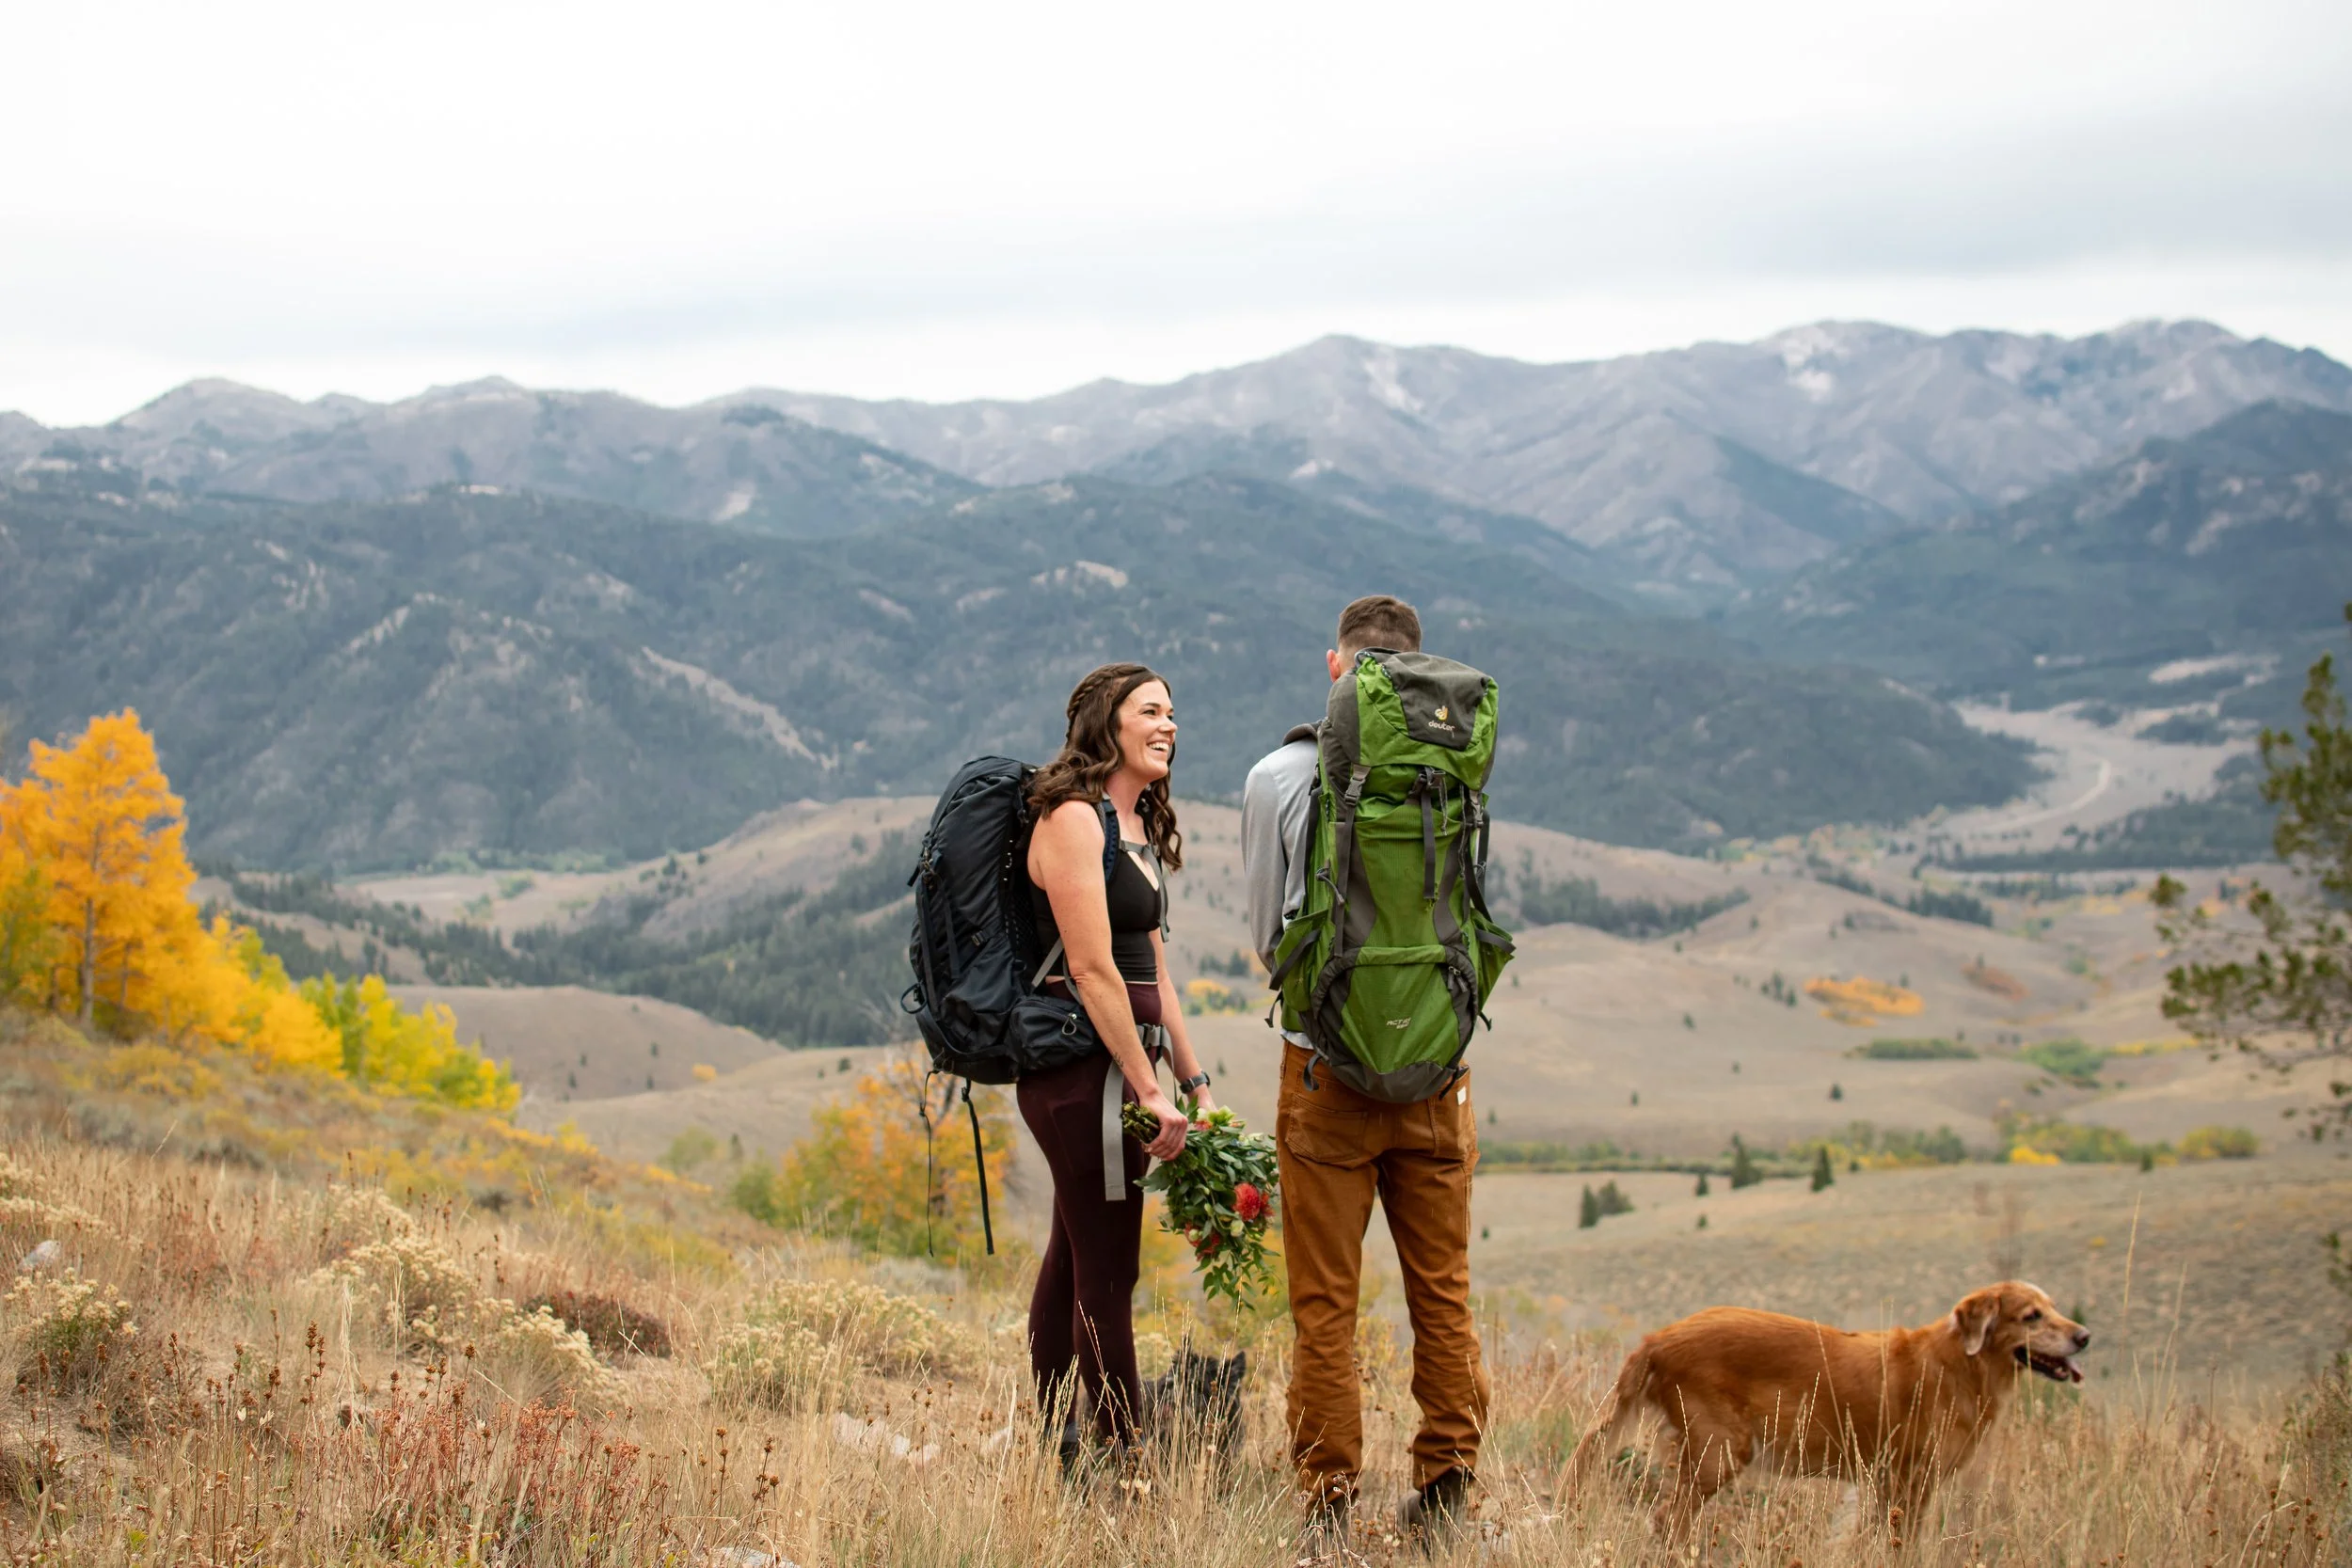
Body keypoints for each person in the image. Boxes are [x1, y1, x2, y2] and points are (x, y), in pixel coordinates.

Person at [1242, 595, 1488, 1554]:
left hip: (1325, 1069)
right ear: (1417, 674)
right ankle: (1445, 1481)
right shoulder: (1453, 761)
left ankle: (1330, 1488)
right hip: (1438, 1068)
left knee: (1325, 1301)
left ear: (1335, 666)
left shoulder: (1278, 774)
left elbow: (1272, 933)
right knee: (1443, 1290)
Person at [1021, 661, 1216, 1465]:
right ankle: (1127, 1460)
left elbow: (1154, 972)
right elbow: (1096, 971)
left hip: (1123, 1076)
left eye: (1173, 711)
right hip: (1080, 1075)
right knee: (1109, 1267)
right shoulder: (1073, 819)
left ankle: (1065, 1446)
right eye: (1151, 710)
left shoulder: (1131, 825)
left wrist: (1194, 1083)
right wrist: (1145, 1086)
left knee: (1076, 1255)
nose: (1168, 724)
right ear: (1110, 721)